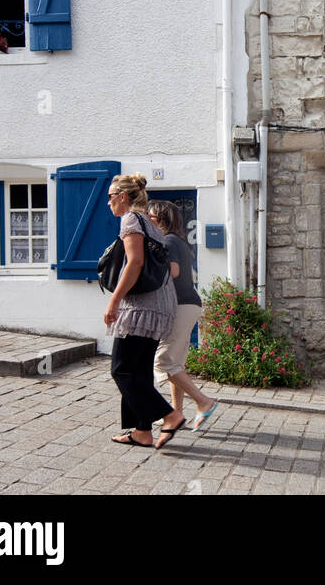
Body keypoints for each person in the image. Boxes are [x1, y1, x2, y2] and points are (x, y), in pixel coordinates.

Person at [104, 173, 186, 449]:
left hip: (142, 307)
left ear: (123, 197)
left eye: (111, 196)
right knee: (138, 371)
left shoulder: (130, 219)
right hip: (160, 304)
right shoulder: (152, 225)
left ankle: (170, 415)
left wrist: (114, 300)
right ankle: (141, 431)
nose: (108, 203)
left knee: (121, 370)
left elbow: (135, 263)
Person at [147, 198, 219, 431]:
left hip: (181, 305)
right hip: (188, 305)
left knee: (164, 361)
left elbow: (173, 271)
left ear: (158, 218)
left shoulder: (167, 240)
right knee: (175, 362)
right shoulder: (177, 240)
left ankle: (203, 401)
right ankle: (175, 413)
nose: (146, 219)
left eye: (150, 216)